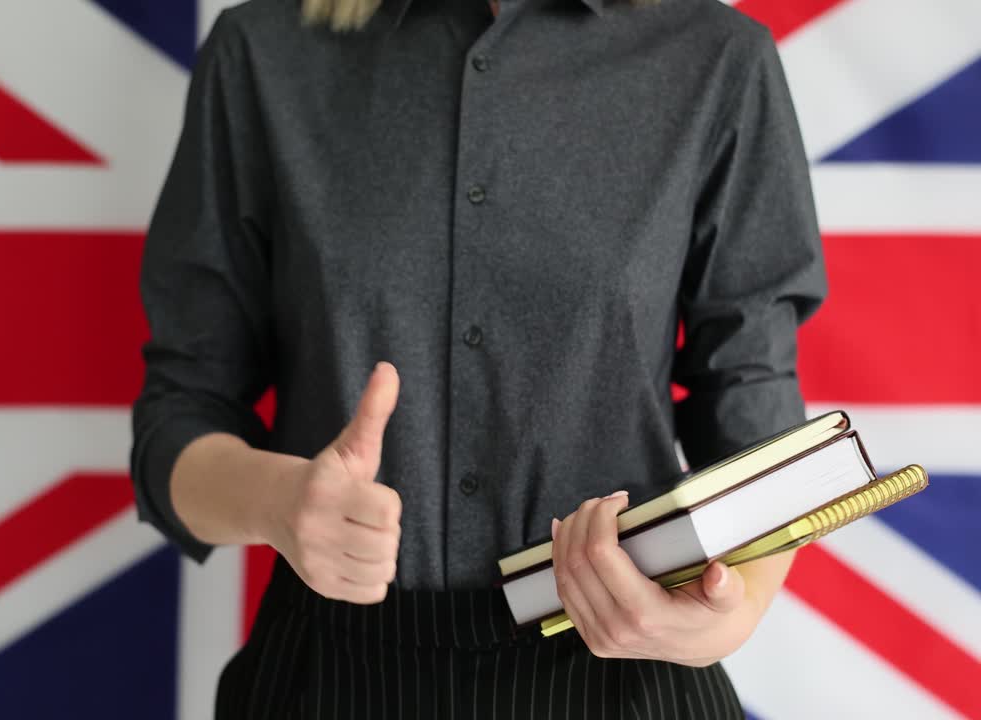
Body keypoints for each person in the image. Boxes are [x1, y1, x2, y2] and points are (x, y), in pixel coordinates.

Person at [130, 0, 826, 716]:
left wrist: (726, 619)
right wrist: (281, 503)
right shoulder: (262, 49)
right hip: (329, 675)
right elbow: (179, 413)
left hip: (621, 676)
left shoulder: (717, 58)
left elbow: (752, 404)